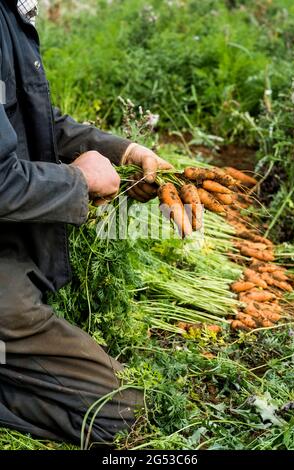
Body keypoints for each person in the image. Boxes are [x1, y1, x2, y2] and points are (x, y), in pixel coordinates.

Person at [0, 0, 172, 445]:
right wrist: (78, 179)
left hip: (10, 249)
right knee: (124, 415)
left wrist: (121, 150)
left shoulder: (10, 14)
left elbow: (31, 120)